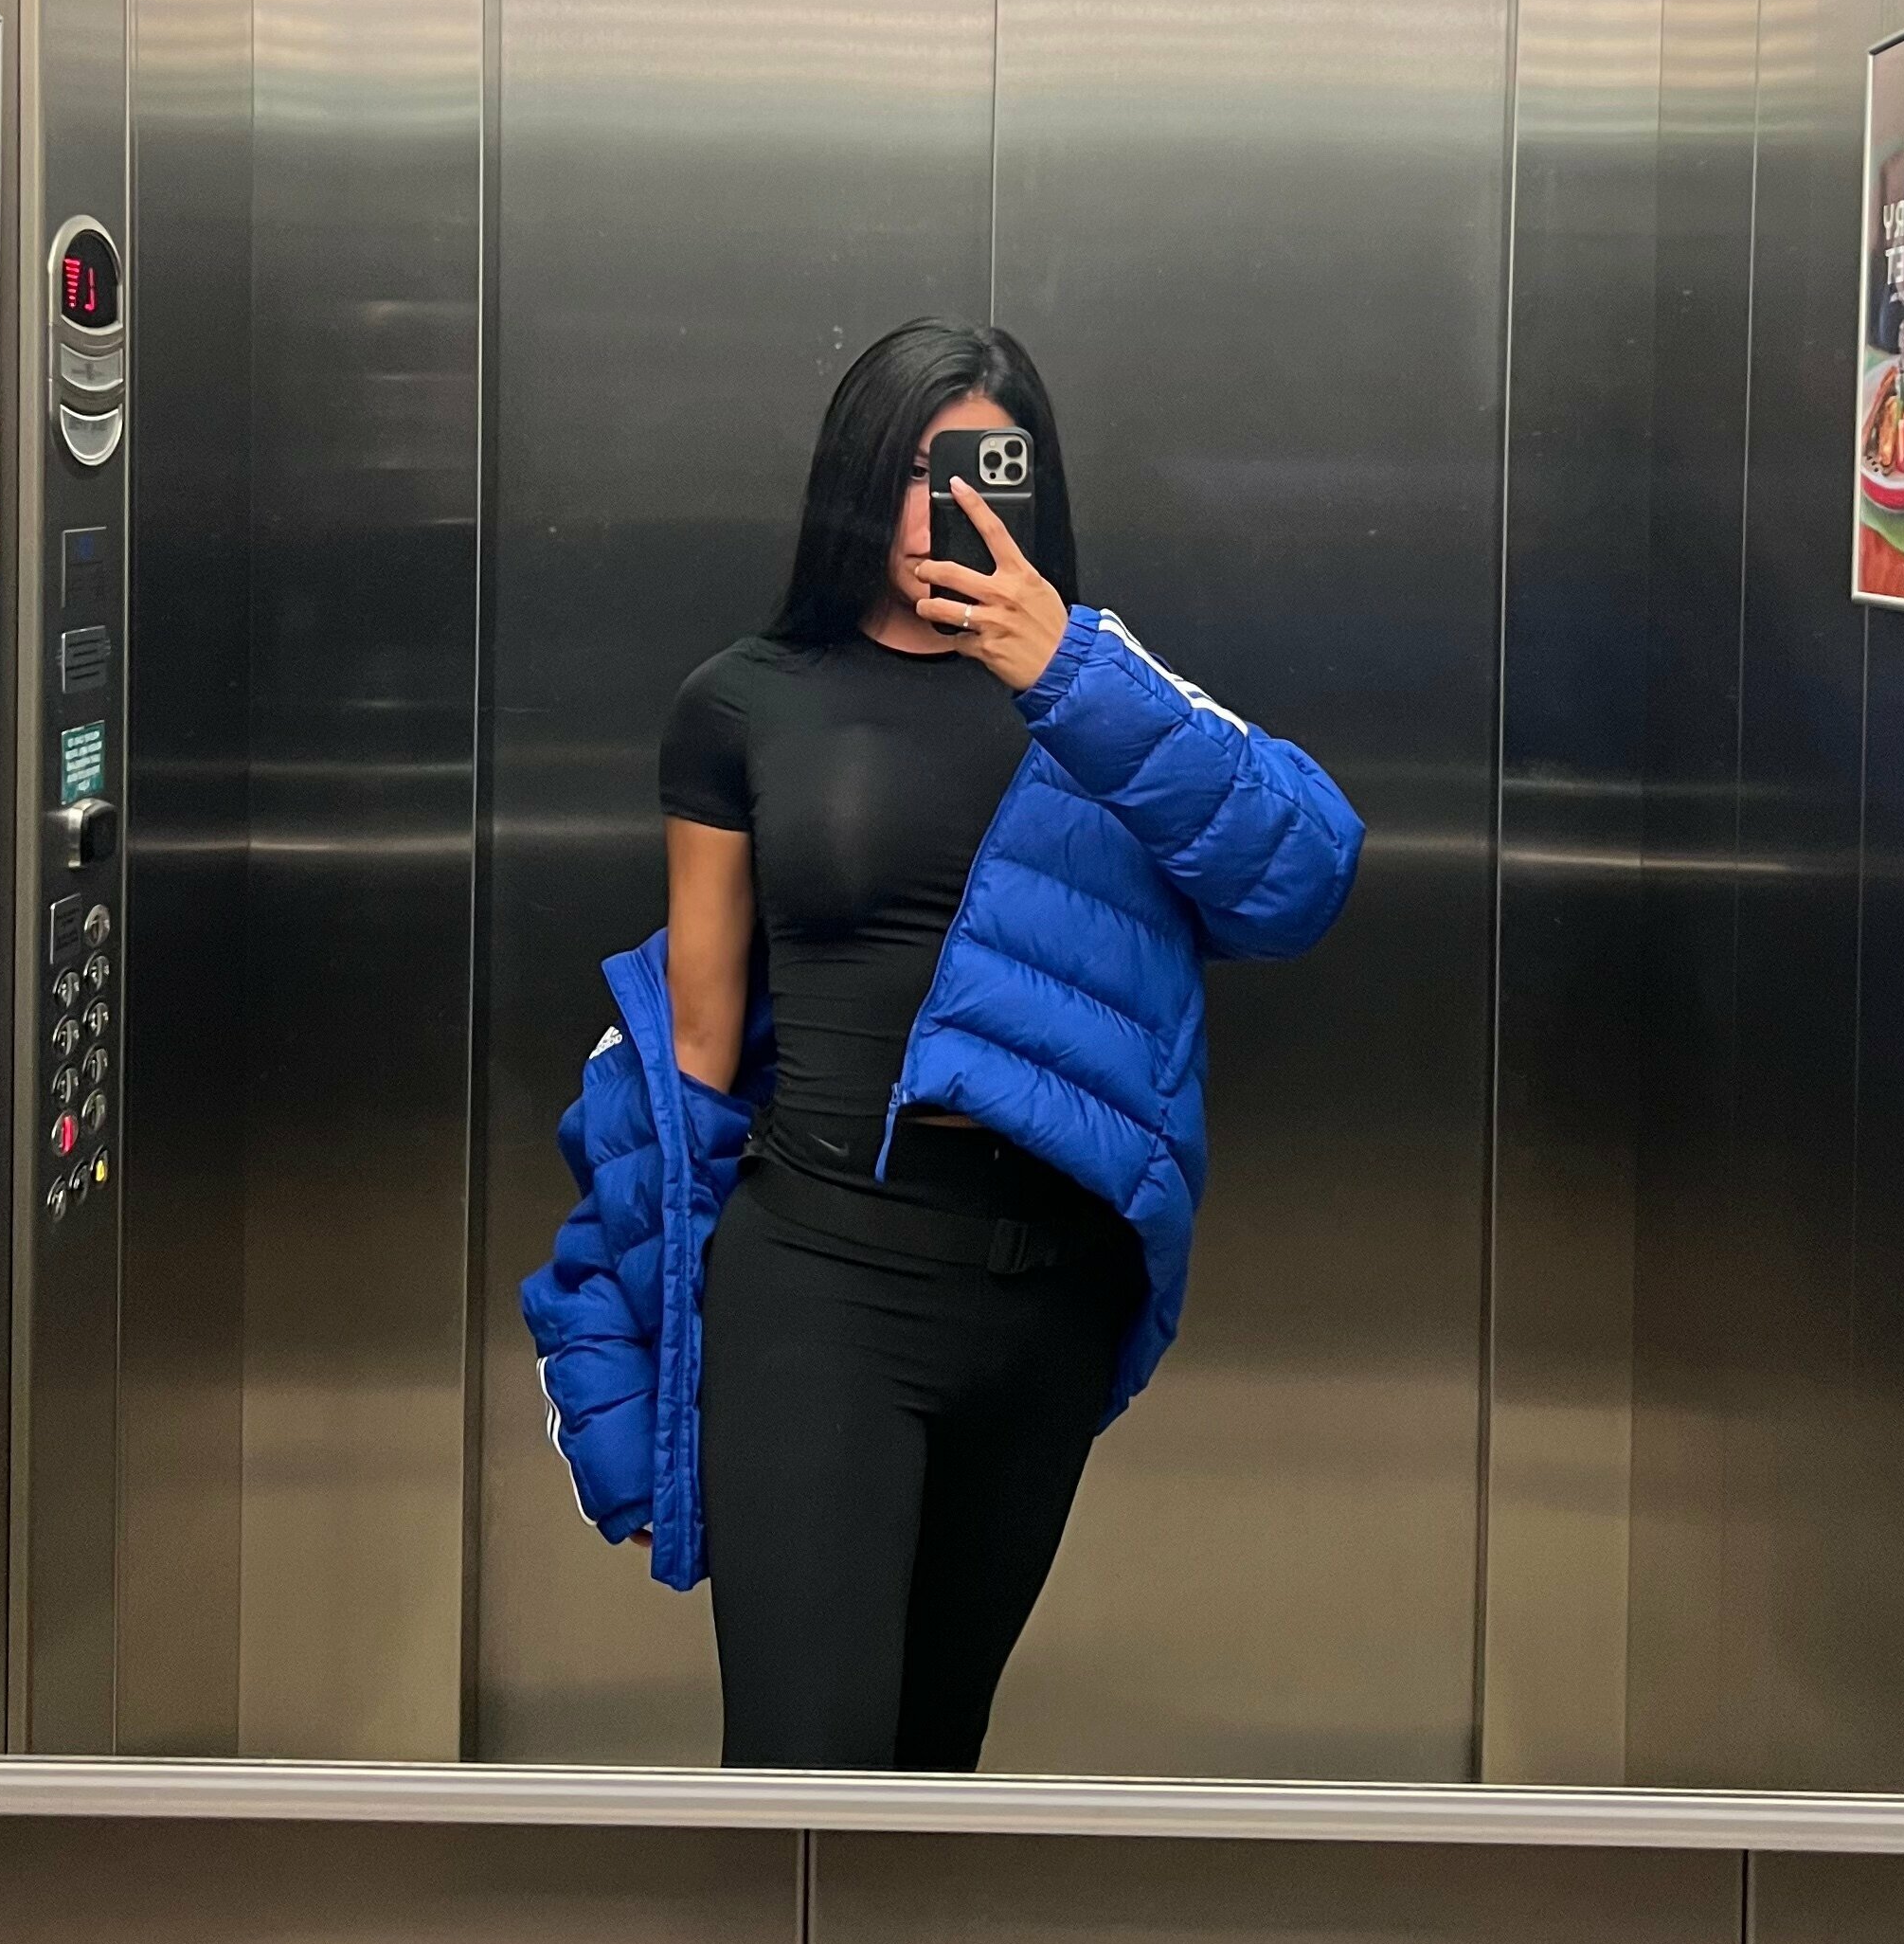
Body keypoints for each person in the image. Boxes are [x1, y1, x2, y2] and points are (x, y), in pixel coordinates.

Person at [520, 319, 1363, 1771]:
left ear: (1034, 484)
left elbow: (1303, 879)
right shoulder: (745, 702)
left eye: (981, 466)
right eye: (911, 468)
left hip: (1046, 1306)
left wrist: (1067, 670)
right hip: (820, 1277)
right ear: (853, 480)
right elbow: (692, 1059)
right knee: (807, 1768)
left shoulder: (1106, 687)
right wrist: (632, 1363)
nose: (942, 505)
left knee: (932, 1772)